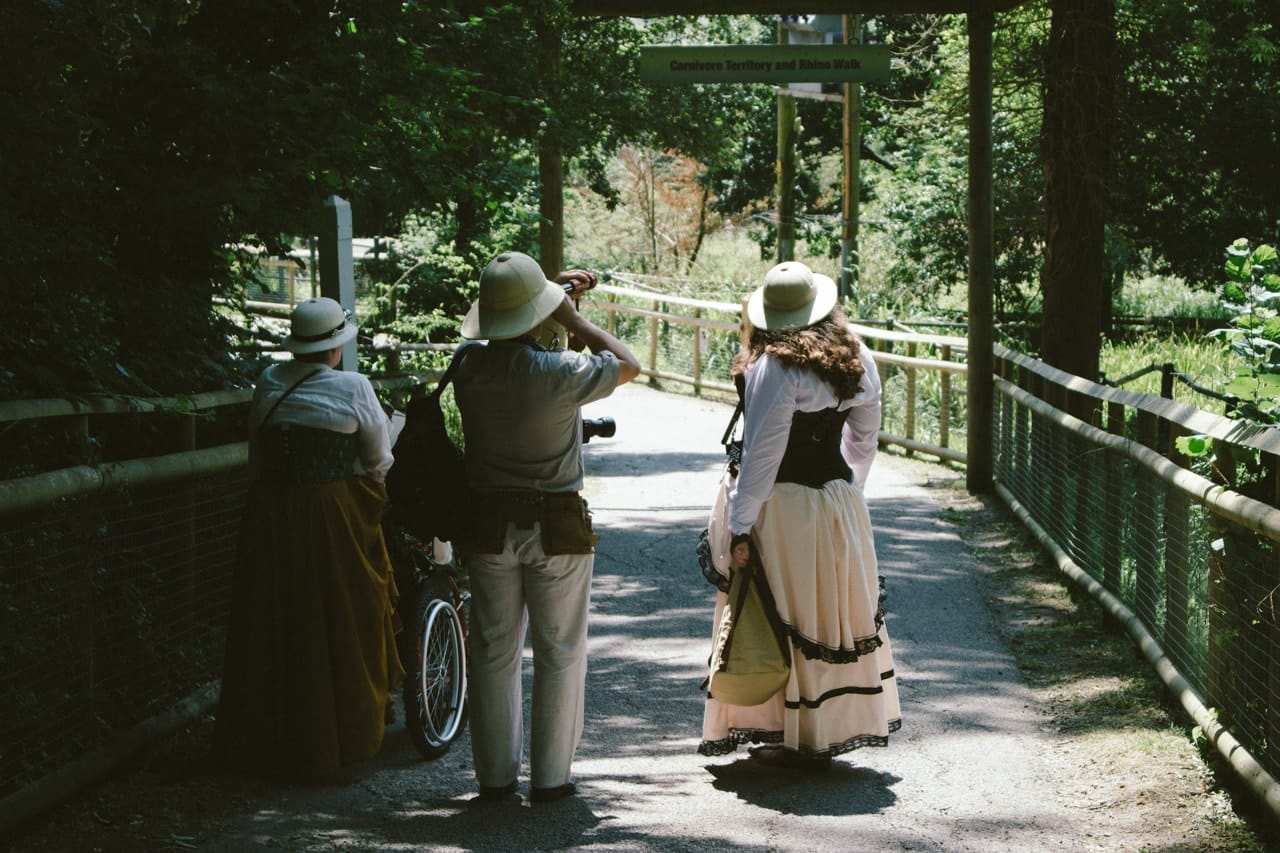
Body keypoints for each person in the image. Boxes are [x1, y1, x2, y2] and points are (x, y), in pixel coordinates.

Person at [453, 250, 640, 803]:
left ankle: (493, 779)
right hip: (556, 526)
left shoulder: (468, 366)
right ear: (539, 311)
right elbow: (626, 363)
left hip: (487, 524)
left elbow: (511, 348)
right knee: (559, 652)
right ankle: (552, 779)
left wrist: (544, 306)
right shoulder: (559, 375)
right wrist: (571, 316)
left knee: (493, 652)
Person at [698, 261, 901, 770]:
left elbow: (763, 454)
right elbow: (864, 438)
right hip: (835, 501)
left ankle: (791, 733)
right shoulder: (856, 357)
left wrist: (741, 525)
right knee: (825, 617)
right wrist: (847, 492)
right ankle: (817, 729)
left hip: (784, 506)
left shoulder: (775, 366)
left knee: (782, 615)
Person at [214, 296, 404, 782]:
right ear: (336, 347)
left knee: (276, 615)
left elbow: (259, 450)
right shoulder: (353, 386)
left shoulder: (269, 382)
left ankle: (270, 737)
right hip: (329, 511)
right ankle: (342, 728)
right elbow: (379, 459)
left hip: (271, 512)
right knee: (342, 611)